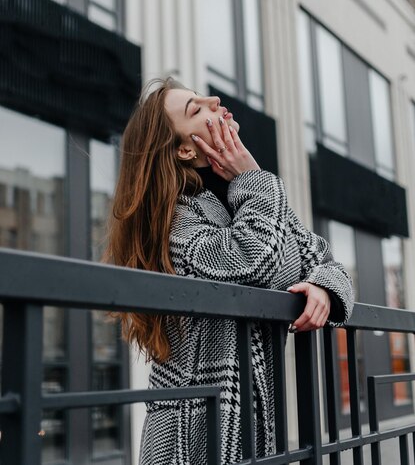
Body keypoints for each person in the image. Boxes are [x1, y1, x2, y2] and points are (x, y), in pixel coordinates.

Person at [105, 77, 354, 465]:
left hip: (248, 424)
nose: (214, 99)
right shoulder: (175, 218)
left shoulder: (247, 197)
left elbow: (323, 259)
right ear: (185, 150)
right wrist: (252, 176)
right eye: (196, 108)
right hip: (191, 434)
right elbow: (254, 263)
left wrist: (324, 286)